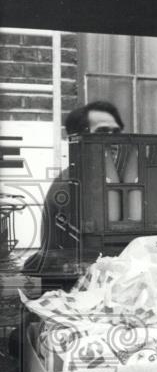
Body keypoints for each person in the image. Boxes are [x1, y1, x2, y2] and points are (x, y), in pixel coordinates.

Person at [22, 100, 125, 282]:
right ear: (79, 138)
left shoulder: (106, 178)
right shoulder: (71, 183)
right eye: (102, 132)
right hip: (72, 285)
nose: (113, 139)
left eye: (116, 132)